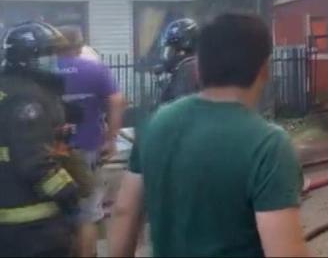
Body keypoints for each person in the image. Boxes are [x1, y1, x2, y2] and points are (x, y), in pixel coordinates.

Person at [109, 13, 307, 257]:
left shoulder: (156, 124)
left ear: (199, 68)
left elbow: (124, 211)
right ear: (264, 69)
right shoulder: (268, 144)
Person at [0, 21, 80, 257]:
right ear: (29, 58)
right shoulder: (27, 99)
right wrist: (69, 191)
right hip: (32, 227)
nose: (55, 60)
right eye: (49, 54)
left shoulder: (9, 88)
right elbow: (33, 161)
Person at [55, 26, 124, 257]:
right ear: (79, 45)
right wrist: (110, 139)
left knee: (57, 210)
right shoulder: (94, 69)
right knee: (87, 213)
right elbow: (116, 100)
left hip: (52, 151)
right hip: (87, 147)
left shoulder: (44, 71)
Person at [156, 18, 200, 105]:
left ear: (182, 51)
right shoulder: (189, 69)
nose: (169, 56)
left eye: (172, 50)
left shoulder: (186, 72)